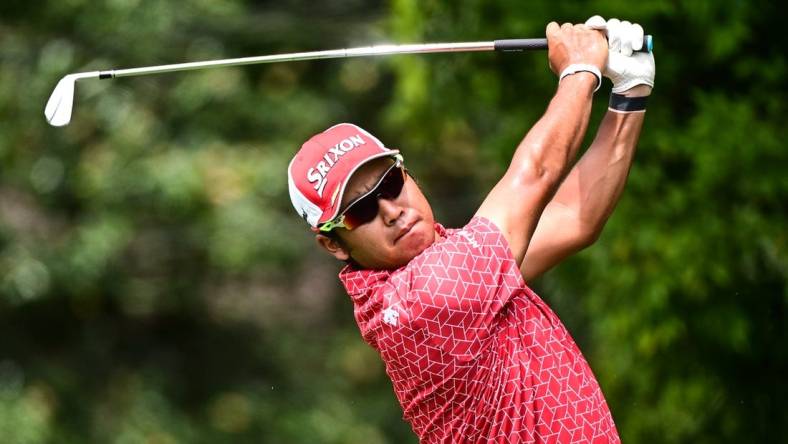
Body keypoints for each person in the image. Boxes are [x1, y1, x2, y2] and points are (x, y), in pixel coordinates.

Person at [287, 15, 654, 443]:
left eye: (390, 182)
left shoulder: (463, 263)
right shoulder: (424, 300)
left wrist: (629, 95)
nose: (390, 210)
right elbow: (534, 174)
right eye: (360, 210)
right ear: (333, 243)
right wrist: (579, 70)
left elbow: (575, 218)